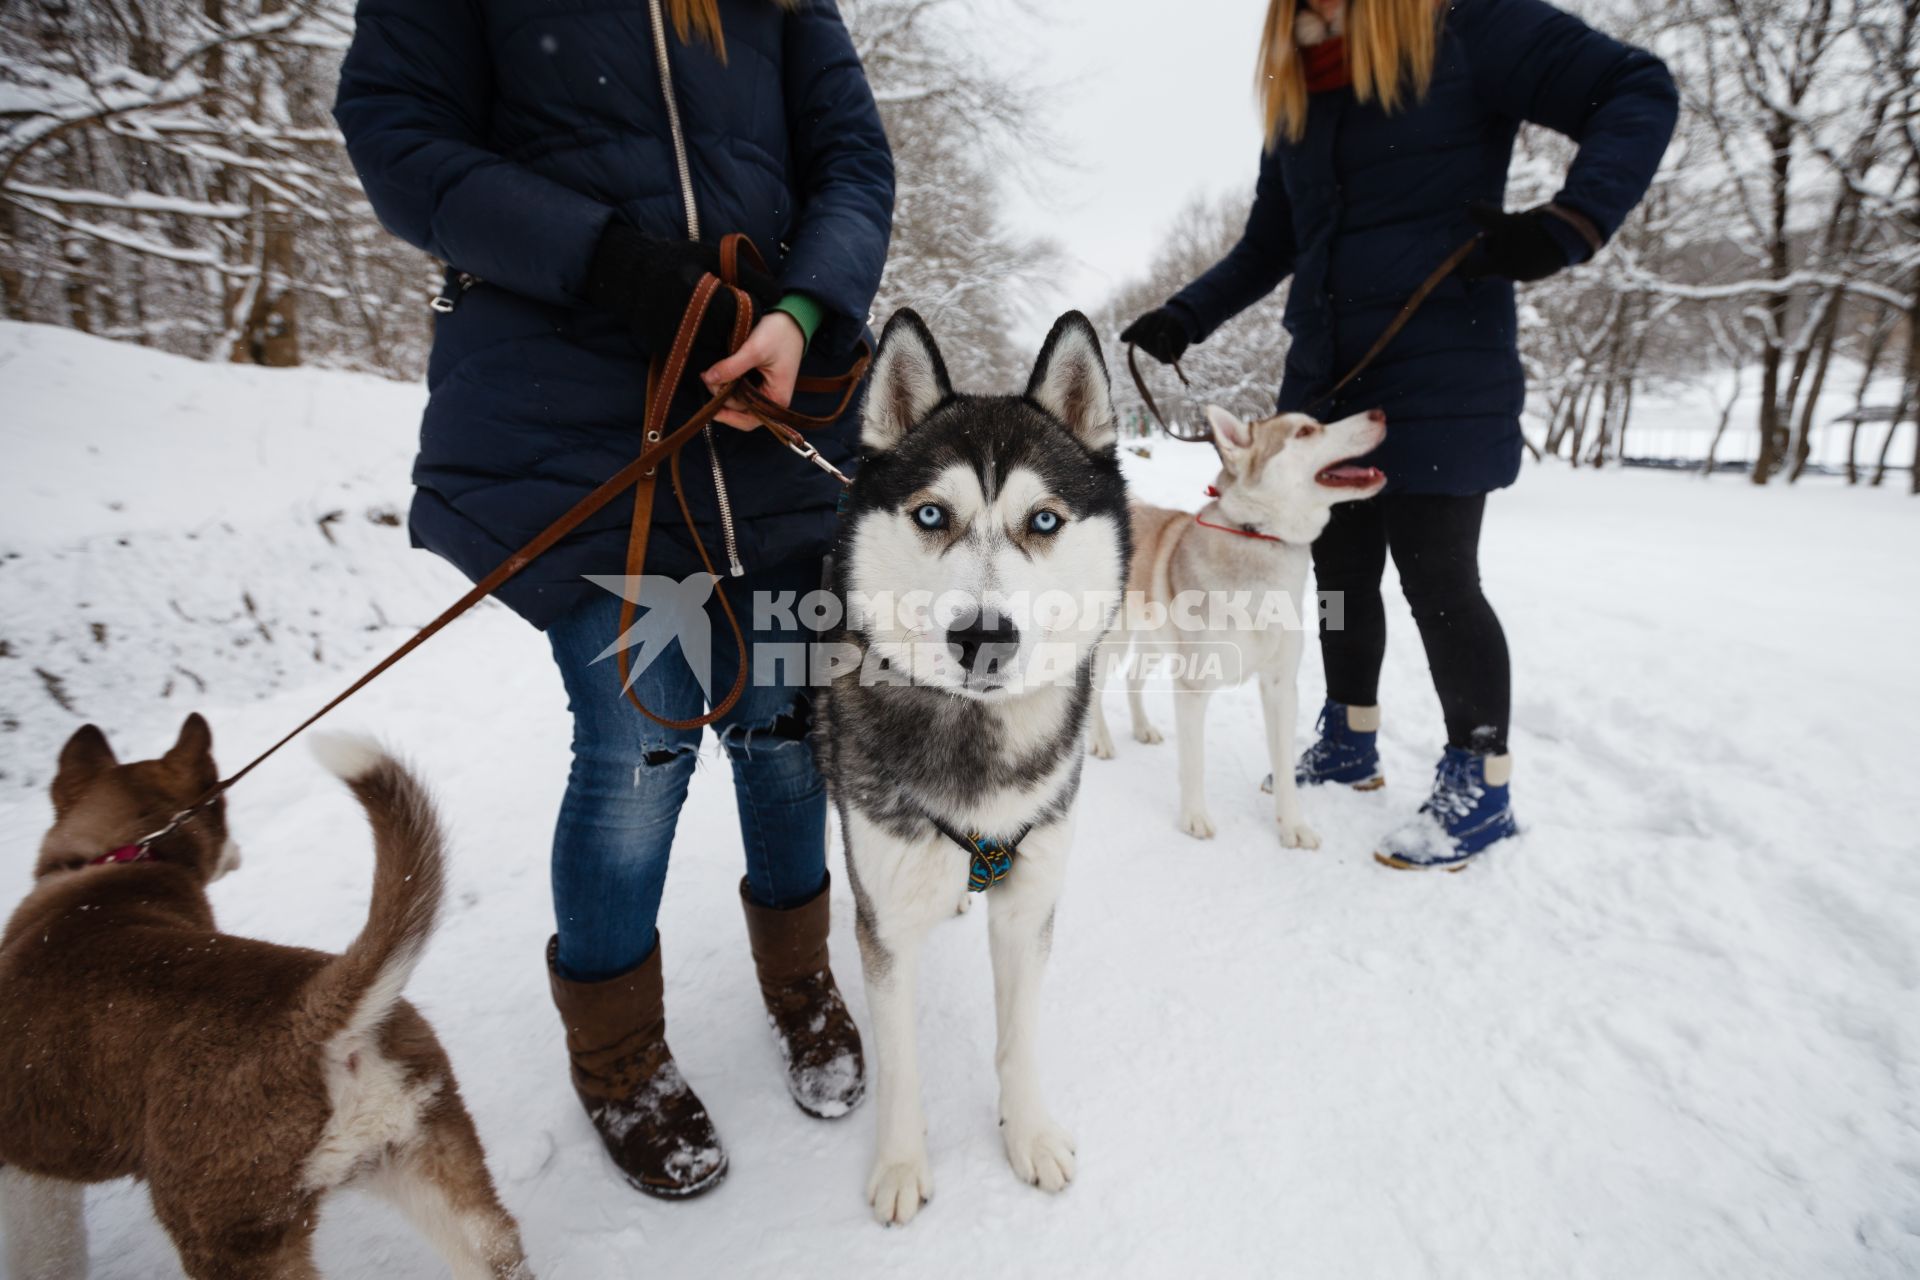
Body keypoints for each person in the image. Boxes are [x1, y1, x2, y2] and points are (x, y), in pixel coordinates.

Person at [334, 0, 893, 1198]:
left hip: (769, 406)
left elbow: (851, 154)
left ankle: (800, 977)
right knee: (639, 738)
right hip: (577, 417)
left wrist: (803, 310)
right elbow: (398, 133)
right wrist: (609, 263)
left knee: (785, 729)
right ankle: (618, 1052)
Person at [1122, 0, 1674, 869]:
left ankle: (1480, 782)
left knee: (1439, 576)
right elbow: (1272, 241)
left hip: (1445, 363)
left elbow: (1633, 85)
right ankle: (1349, 737)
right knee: (1340, 573)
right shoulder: (1301, 99)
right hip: (1329, 375)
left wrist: (1572, 222)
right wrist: (1186, 315)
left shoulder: (1469, 28)